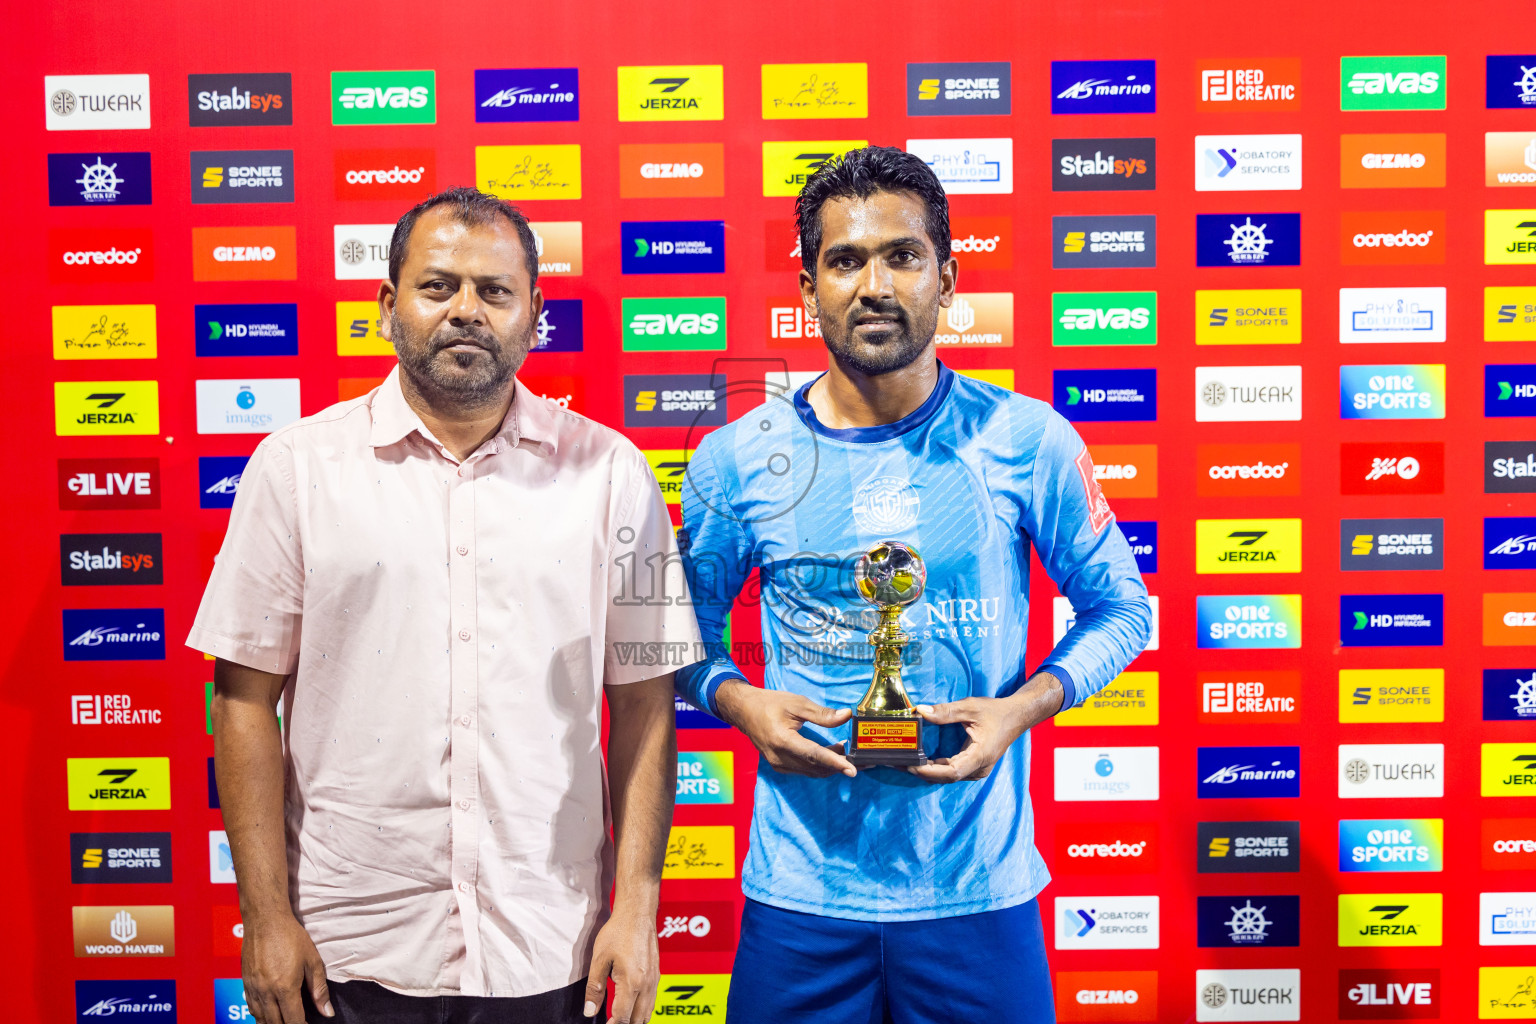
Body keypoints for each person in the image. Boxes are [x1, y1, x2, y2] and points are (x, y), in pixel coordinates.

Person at [189, 188, 697, 1024]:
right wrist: (266, 916)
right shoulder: (296, 469)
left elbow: (643, 704)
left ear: (536, 315)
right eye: (438, 287)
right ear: (388, 306)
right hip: (350, 945)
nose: (466, 310)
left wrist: (637, 908)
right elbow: (243, 702)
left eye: (495, 291)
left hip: (550, 944)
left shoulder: (614, 477)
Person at [673, 147, 1153, 1023]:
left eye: (902, 256)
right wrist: (739, 702)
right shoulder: (737, 457)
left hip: (977, 894)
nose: (875, 285)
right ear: (807, 287)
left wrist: (1022, 708)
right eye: (845, 260)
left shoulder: (1025, 438)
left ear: (947, 276)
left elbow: (1123, 608)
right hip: (803, 897)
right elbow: (680, 636)